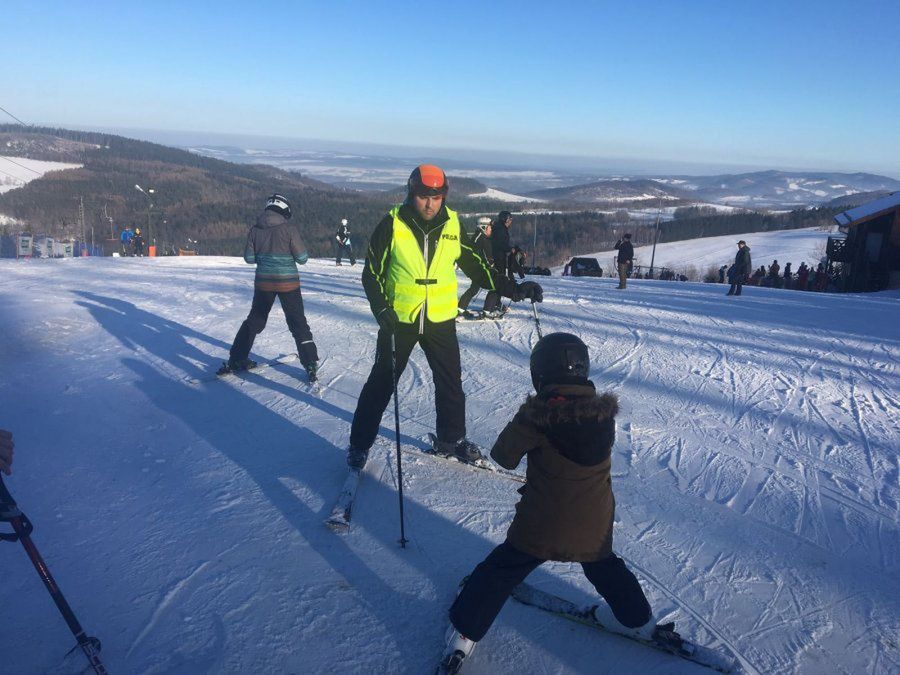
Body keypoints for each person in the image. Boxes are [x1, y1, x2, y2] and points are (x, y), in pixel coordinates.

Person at [439, 333, 659, 672]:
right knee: (604, 567)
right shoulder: (603, 417)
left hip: (541, 525)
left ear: (538, 373)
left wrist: (528, 414)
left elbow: (503, 456)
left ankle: (465, 632)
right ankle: (640, 621)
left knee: (501, 570)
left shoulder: (538, 416)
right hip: (595, 525)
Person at [346, 165, 542, 469]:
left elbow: (478, 268)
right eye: (424, 196)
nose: (429, 203)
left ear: (443, 196)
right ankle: (359, 444)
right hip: (399, 319)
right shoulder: (392, 224)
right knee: (381, 382)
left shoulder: (452, 225)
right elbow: (370, 274)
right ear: (412, 193)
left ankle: (451, 439)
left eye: (436, 197)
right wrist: (382, 309)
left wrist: (514, 289)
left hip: (439, 320)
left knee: (451, 383)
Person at [224, 193, 319, 380]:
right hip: (288, 284)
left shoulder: (255, 230)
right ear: (285, 210)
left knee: (255, 321)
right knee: (297, 322)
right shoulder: (289, 229)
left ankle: (236, 357)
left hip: (263, 284)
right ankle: (309, 362)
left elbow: (249, 259)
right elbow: (303, 258)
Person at [457, 217, 492, 314]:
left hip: (480, 267)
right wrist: (488, 264)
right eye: (490, 227)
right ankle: (460, 309)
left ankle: (460, 308)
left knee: (476, 288)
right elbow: (476, 252)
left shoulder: (483, 237)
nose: (491, 229)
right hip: (478, 267)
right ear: (484, 227)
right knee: (477, 288)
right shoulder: (479, 237)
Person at [481, 211, 513, 316]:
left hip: (499, 258)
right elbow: (500, 244)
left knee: (500, 281)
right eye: (509, 219)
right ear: (505, 219)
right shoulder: (500, 229)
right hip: (498, 259)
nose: (511, 221)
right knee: (498, 282)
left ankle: (496, 304)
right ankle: (488, 307)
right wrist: (511, 249)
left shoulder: (500, 228)